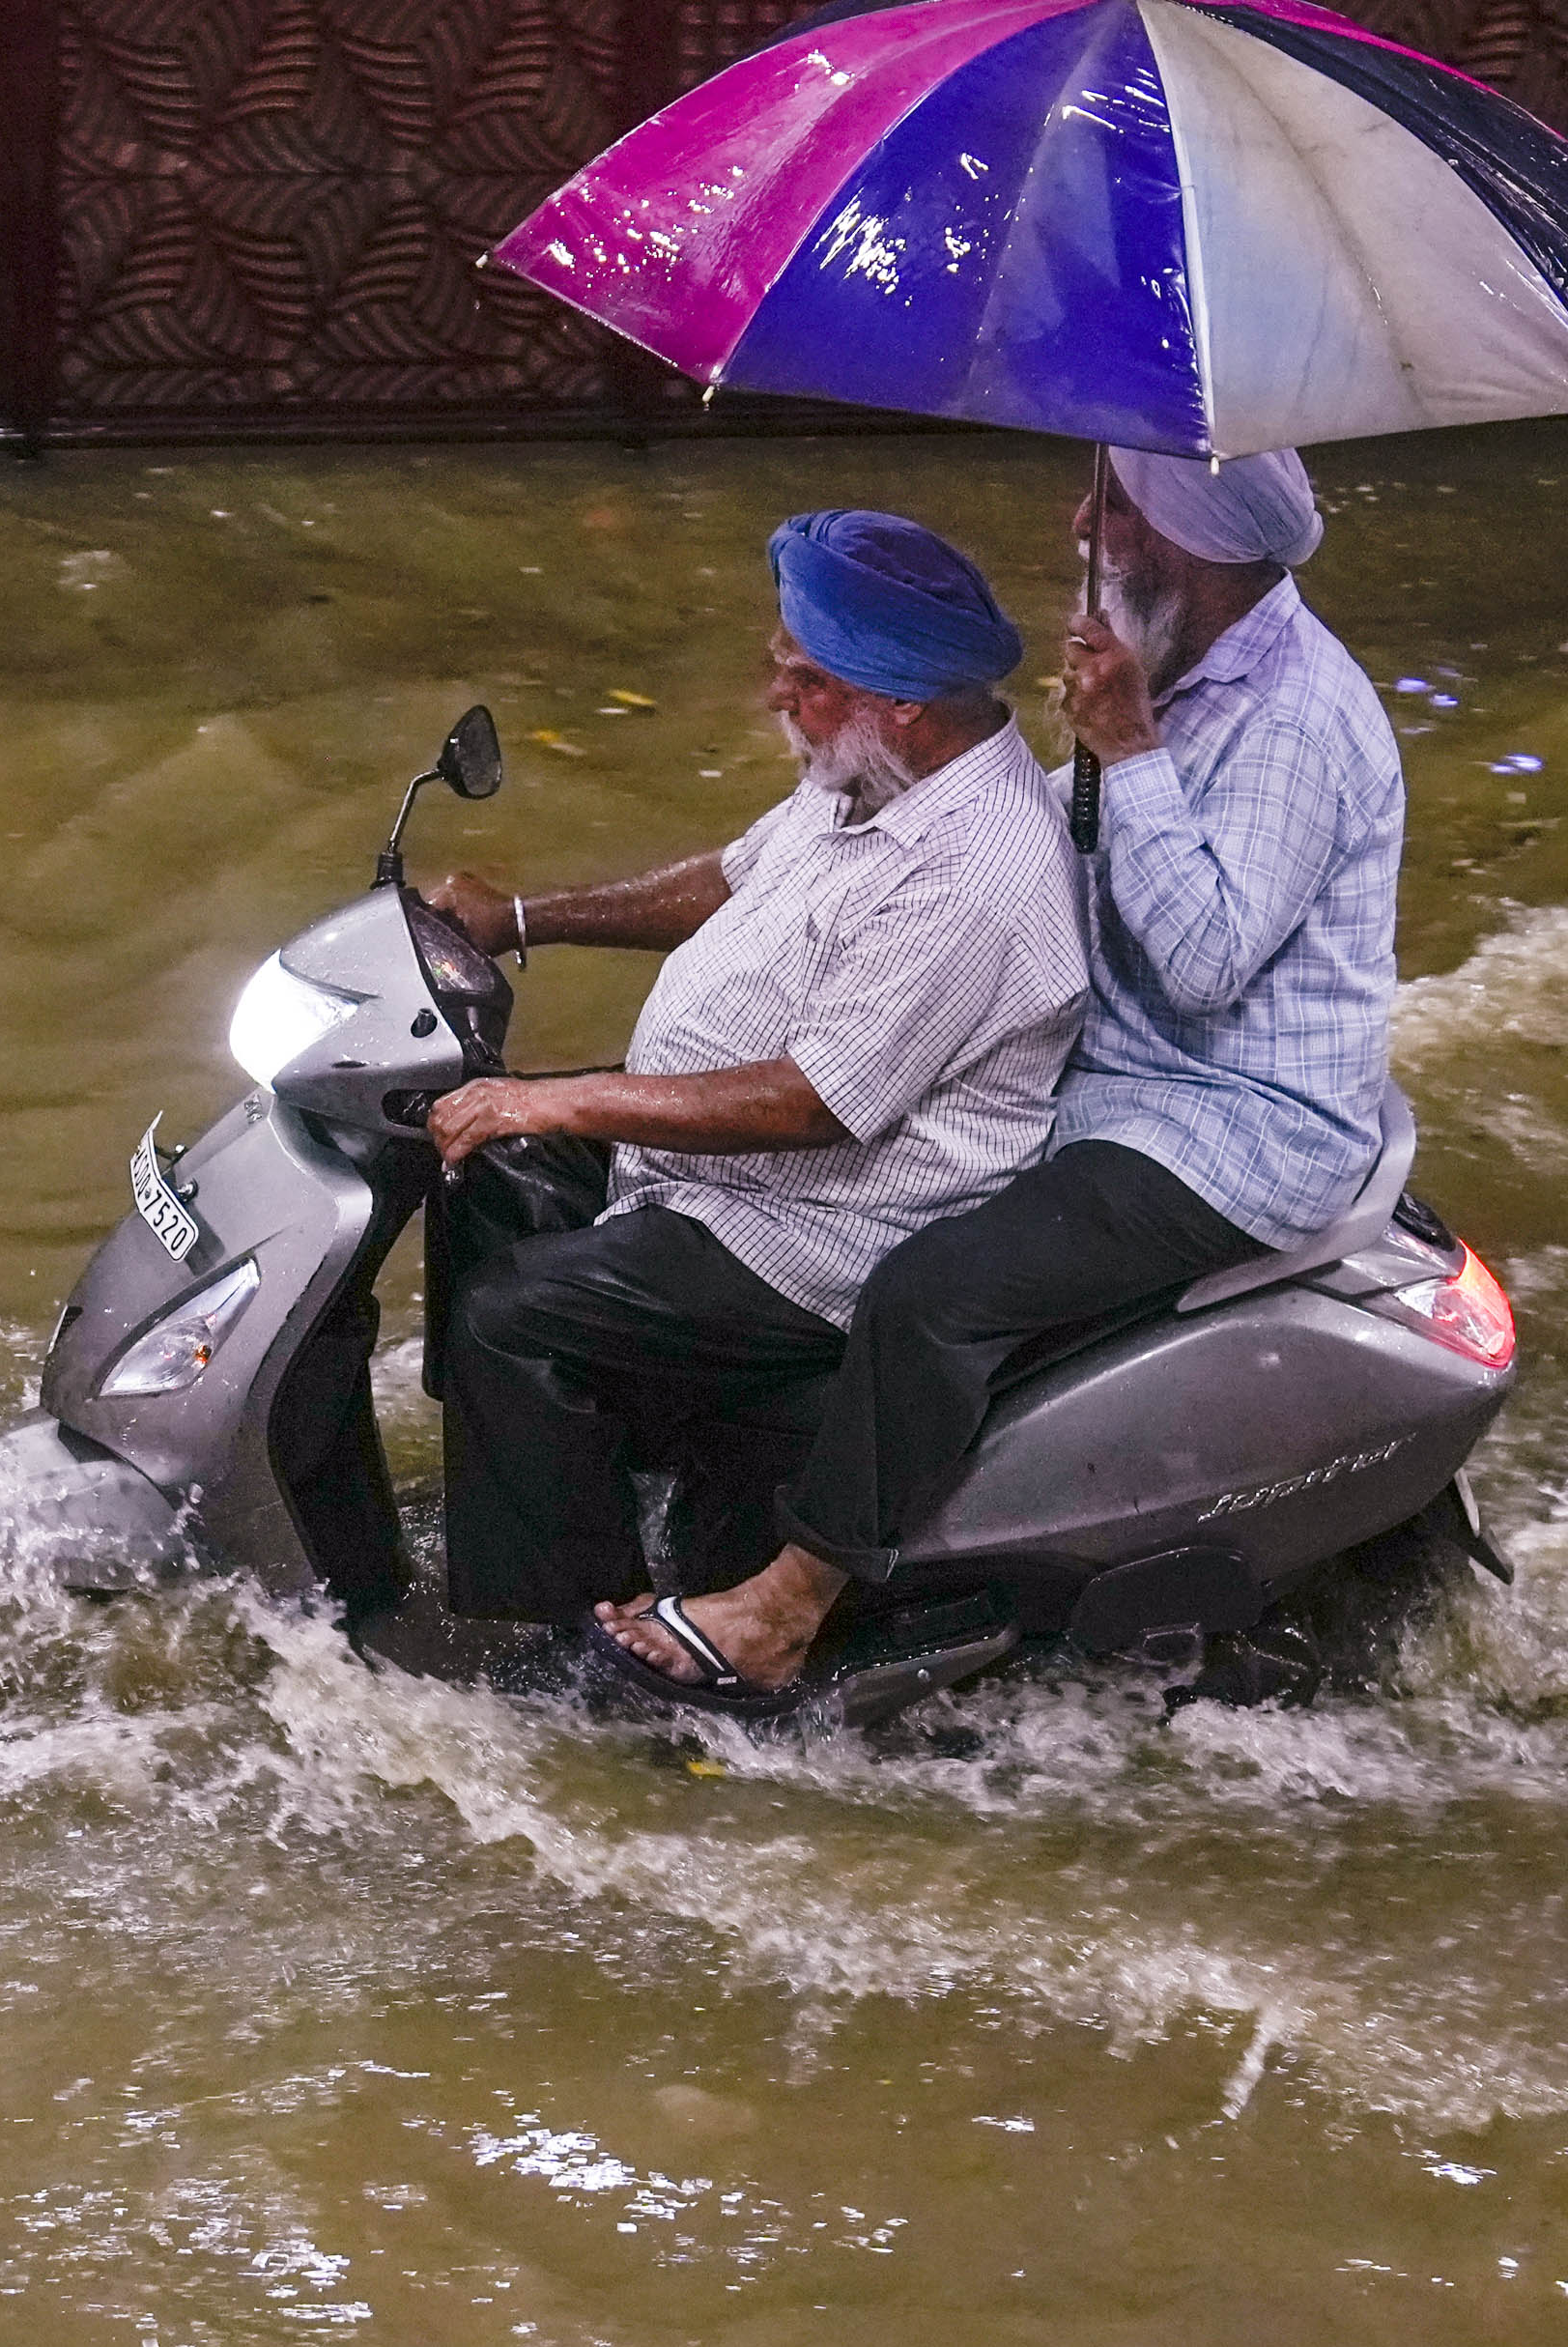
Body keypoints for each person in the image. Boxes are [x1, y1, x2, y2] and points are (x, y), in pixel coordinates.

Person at [599, 446, 1403, 1703]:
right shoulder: (1170, 662)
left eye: (1116, 507)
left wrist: (1126, 749)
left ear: (1185, 539)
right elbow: (1062, 850)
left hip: (1232, 1122)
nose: (1082, 520)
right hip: (1114, 1075)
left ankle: (786, 1607)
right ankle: (734, 1494)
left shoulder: (1294, 716)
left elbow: (1200, 969)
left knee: (930, 1291)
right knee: (834, 1210)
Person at [410, 512, 1086, 1640]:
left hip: (825, 1224)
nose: (775, 694)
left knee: (511, 1318)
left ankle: (562, 1644)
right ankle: (539, 1491)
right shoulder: (866, 768)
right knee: (489, 1166)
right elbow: (733, 877)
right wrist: (526, 917)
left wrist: (560, 1093)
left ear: (901, 701)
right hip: (736, 1176)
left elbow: (812, 1104)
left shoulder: (978, 867)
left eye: (800, 676)